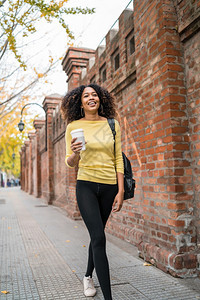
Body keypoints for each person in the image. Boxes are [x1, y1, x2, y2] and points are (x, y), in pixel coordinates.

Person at [61, 84, 124, 300]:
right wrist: (76, 153)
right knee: (98, 236)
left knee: (96, 236)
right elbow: (70, 162)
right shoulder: (73, 126)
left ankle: (87, 275)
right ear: (80, 102)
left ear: (100, 99)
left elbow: (118, 158)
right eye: (86, 95)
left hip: (109, 187)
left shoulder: (112, 124)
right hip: (86, 184)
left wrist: (121, 190)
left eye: (94, 94)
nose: (91, 98)